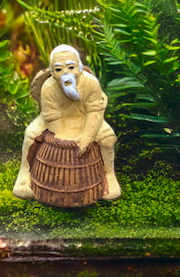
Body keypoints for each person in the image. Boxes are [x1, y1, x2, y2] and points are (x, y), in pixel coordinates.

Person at [13, 44, 121, 201]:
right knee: (30, 134)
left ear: (80, 68)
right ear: (52, 73)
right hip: (58, 121)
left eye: (71, 67)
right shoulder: (48, 88)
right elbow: (52, 120)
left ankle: (109, 176)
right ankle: (25, 173)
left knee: (108, 138)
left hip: (86, 118)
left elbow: (95, 112)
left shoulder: (90, 83)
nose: (66, 73)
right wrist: (67, 138)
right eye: (58, 70)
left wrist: (86, 137)